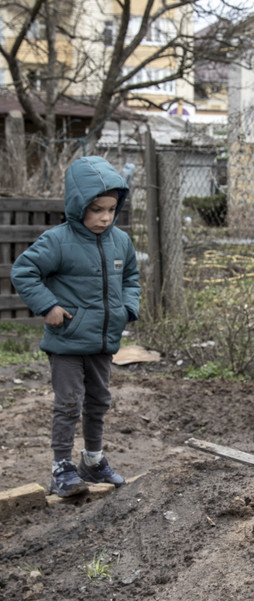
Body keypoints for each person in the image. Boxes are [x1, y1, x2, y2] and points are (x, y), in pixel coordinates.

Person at [10, 156, 140, 497]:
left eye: (111, 210)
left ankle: (93, 461)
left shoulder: (121, 242)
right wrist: (47, 305)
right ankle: (61, 468)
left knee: (99, 400)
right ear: (78, 204)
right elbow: (23, 272)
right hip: (67, 341)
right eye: (96, 209)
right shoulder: (58, 241)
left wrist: (128, 307)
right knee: (68, 402)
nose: (105, 217)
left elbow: (131, 277)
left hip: (102, 341)